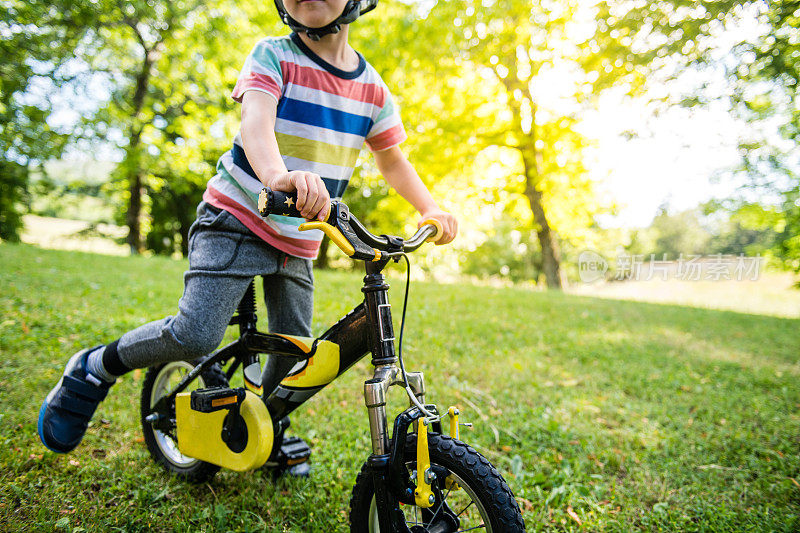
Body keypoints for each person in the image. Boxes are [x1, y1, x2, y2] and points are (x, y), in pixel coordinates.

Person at [38, 0, 457, 454]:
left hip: (297, 242)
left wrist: (430, 209)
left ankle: (263, 426)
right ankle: (95, 367)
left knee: (295, 357)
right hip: (236, 219)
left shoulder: (372, 90)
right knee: (196, 333)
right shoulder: (274, 56)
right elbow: (256, 122)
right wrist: (278, 176)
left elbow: (392, 160)